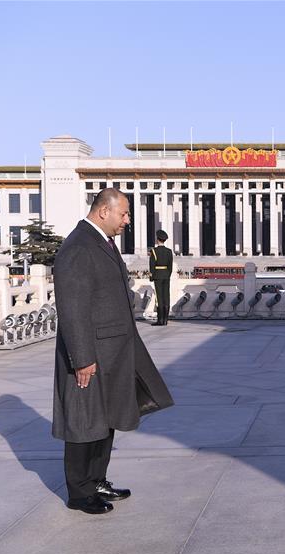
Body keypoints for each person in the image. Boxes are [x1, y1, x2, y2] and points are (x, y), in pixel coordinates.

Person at [52, 188, 174, 514]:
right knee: (84, 423)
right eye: (124, 214)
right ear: (104, 211)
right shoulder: (78, 247)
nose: (127, 221)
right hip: (91, 354)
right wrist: (82, 359)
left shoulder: (100, 243)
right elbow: (72, 308)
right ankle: (80, 493)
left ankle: (98, 480)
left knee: (104, 420)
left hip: (114, 351)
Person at [149, 229, 173, 326]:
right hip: (166, 276)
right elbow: (170, 266)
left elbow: (152, 265)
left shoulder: (154, 251)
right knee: (166, 296)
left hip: (158, 275)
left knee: (159, 298)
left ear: (157, 239)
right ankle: (166, 320)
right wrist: (168, 275)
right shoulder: (169, 251)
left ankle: (160, 320)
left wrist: (152, 276)